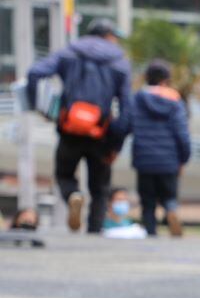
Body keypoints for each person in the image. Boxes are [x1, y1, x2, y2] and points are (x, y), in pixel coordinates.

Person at [25, 18, 133, 234]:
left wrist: (40, 107)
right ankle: (94, 232)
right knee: (100, 189)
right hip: (101, 131)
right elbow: (127, 109)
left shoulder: (69, 53)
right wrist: (116, 143)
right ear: (109, 36)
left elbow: (35, 73)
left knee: (64, 175)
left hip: (69, 128)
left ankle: (73, 195)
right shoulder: (119, 63)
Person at [130, 60, 192, 236]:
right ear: (166, 80)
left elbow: (127, 123)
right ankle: (171, 210)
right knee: (169, 197)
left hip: (144, 158)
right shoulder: (175, 101)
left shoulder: (138, 98)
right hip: (169, 160)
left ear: (147, 78)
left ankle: (151, 233)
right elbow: (182, 133)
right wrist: (184, 158)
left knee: (147, 202)